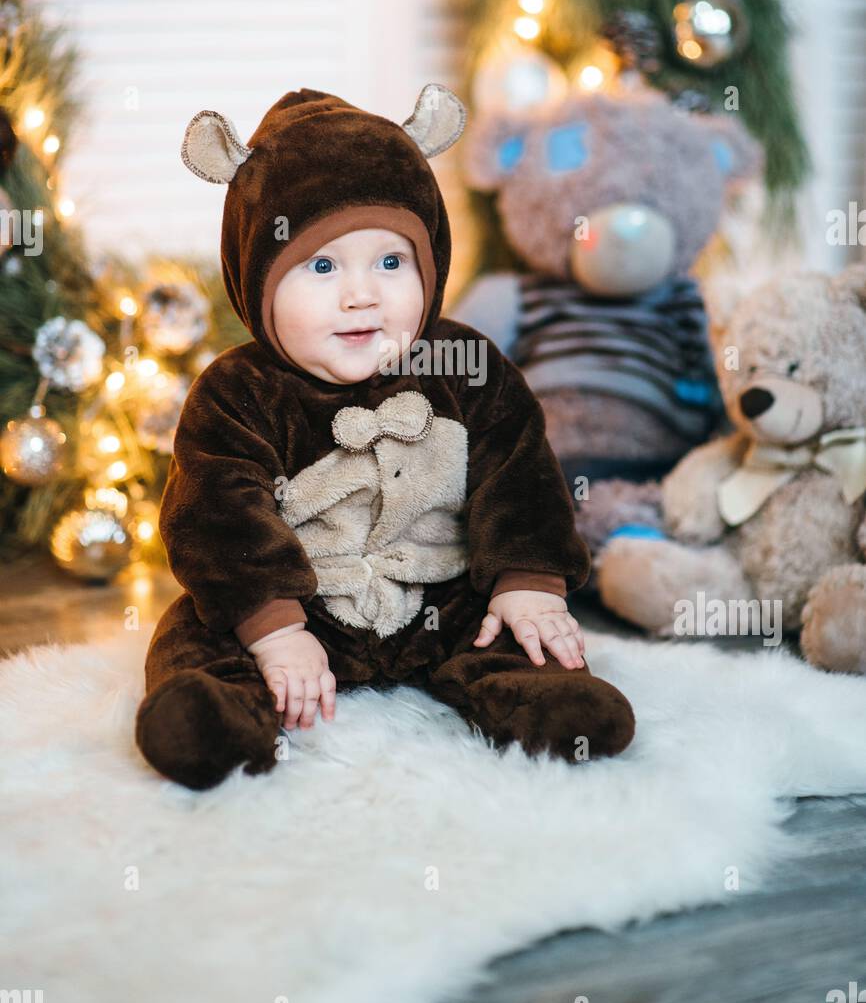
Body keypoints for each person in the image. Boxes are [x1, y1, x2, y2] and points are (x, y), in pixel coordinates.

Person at [134, 84, 636, 790]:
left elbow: (518, 476)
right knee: (199, 629)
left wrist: (528, 583)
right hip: (301, 599)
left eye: (391, 263)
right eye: (323, 266)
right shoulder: (236, 393)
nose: (361, 294)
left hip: (440, 594)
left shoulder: (468, 368)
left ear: (430, 261)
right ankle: (219, 716)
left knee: (506, 627)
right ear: (257, 275)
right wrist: (275, 630)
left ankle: (538, 698)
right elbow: (215, 516)